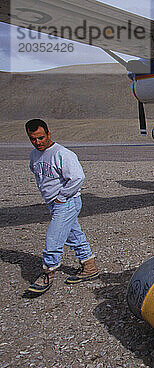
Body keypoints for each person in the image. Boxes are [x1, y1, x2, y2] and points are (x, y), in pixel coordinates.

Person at [24, 119, 98, 297]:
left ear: (49, 134)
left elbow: (78, 178)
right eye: (33, 139)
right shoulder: (34, 155)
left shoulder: (63, 154)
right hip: (54, 202)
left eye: (41, 137)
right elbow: (37, 174)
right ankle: (89, 266)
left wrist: (61, 197)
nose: (38, 142)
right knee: (73, 234)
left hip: (66, 202)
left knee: (54, 238)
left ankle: (48, 273)